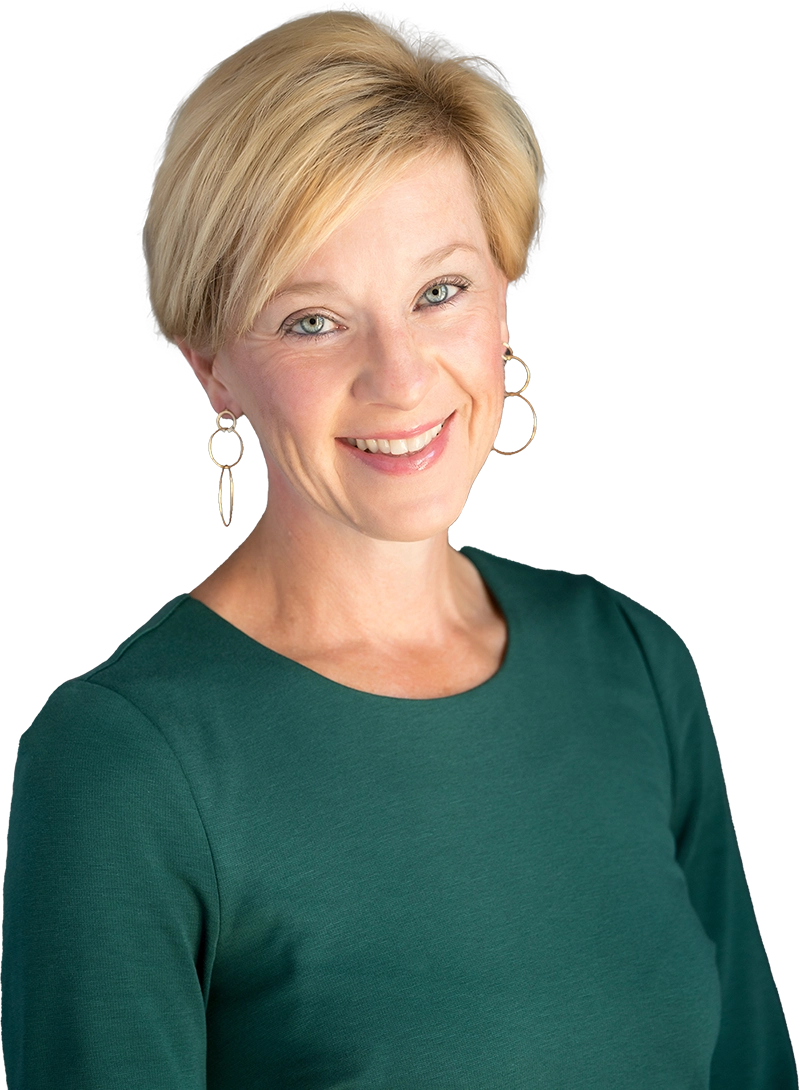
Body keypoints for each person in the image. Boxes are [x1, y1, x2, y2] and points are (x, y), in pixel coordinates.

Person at [1, 8, 796, 1088]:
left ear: (503, 297)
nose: (401, 376)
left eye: (438, 292)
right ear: (211, 366)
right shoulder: (122, 765)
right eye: (313, 319)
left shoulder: (630, 660)